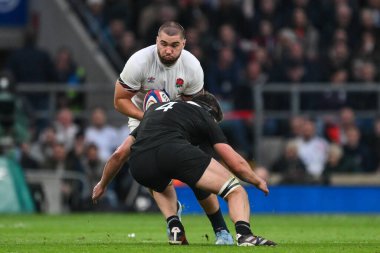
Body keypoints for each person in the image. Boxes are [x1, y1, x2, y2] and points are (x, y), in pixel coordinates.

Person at [92, 92, 276, 246]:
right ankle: (245, 235)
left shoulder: (153, 112)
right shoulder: (204, 115)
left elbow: (119, 153)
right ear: (211, 112)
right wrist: (256, 179)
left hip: (139, 163)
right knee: (235, 190)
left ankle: (174, 226)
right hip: (174, 151)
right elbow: (233, 161)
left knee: (159, 184)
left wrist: (102, 183)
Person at [111, 21, 233, 244]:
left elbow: (194, 108)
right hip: (142, 119)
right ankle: (173, 222)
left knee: (198, 177)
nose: (168, 50)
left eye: (174, 45)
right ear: (156, 41)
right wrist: (148, 117)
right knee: (154, 172)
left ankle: (221, 231)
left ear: (184, 44)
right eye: (164, 44)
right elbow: (119, 101)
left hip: (180, 122)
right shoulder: (139, 62)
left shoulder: (192, 67)